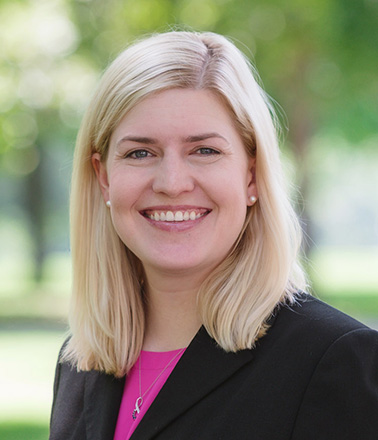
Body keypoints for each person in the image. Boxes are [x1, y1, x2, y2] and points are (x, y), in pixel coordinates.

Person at [49, 31, 378, 440]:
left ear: (252, 175)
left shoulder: (337, 360)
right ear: (103, 179)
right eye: (140, 152)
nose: (172, 182)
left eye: (204, 151)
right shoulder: (79, 364)